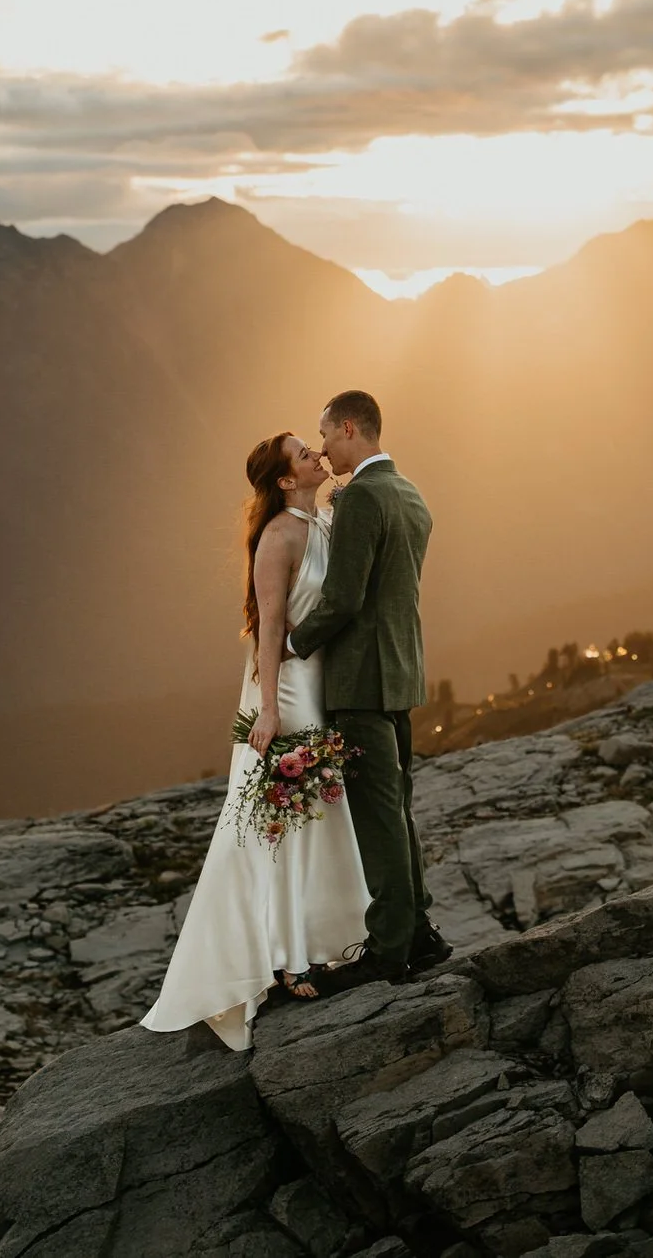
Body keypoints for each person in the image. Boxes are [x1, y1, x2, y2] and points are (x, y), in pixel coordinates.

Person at [139, 432, 371, 1049]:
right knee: (285, 818)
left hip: (322, 683)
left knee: (322, 810)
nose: (315, 456)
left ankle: (329, 937)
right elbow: (269, 629)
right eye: (303, 453)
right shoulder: (278, 537)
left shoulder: (321, 517)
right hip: (289, 687)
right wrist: (267, 710)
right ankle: (288, 955)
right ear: (284, 480)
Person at [286, 389, 450, 993]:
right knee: (397, 810)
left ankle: (388, 951)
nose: (322, 447)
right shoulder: (410, 494)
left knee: (379, 819)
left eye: (325, 435)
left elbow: (346, 598)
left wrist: (293, 645)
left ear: (349, 428)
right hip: (402, 675)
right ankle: (420, 933)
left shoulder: (360, 499)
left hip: (360, 680)